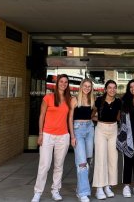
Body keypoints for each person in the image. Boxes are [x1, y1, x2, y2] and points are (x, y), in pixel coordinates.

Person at [31, 74, 71, 202]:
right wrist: (40, 133)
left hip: (63, 136)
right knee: (44, 165)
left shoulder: (70, 99)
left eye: (66, 82)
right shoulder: (48, 97)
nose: (63, 84)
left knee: (59, 166)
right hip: (47, 135)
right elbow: (41, 116)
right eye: (61, 81)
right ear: (57, 83)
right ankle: (38, 192)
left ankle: (55, 190)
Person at [92, 80, 121, 200]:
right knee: (100, 158)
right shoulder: (99, 100)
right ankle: (99, 187)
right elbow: (92, 114)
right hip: (101, 130)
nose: (112, 90)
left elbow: (119, 117)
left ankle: (108, 186)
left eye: (114, 88)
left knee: (113, 158)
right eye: (110, 87)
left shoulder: (119, 102)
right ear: (105, 89)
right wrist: (98, 121)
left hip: (114, 129)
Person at [68, 79, 96, 202]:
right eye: (85, 86)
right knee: (82, 163)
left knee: (88, 161)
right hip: (78, 130)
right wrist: (72, 136)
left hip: (90, 129)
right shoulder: (74, 99)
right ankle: (84, 193)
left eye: (89, 86)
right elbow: (70, 118)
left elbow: (92, 115)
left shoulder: (92, 100)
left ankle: (80, 189)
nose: (87, 88)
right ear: (81, 86)